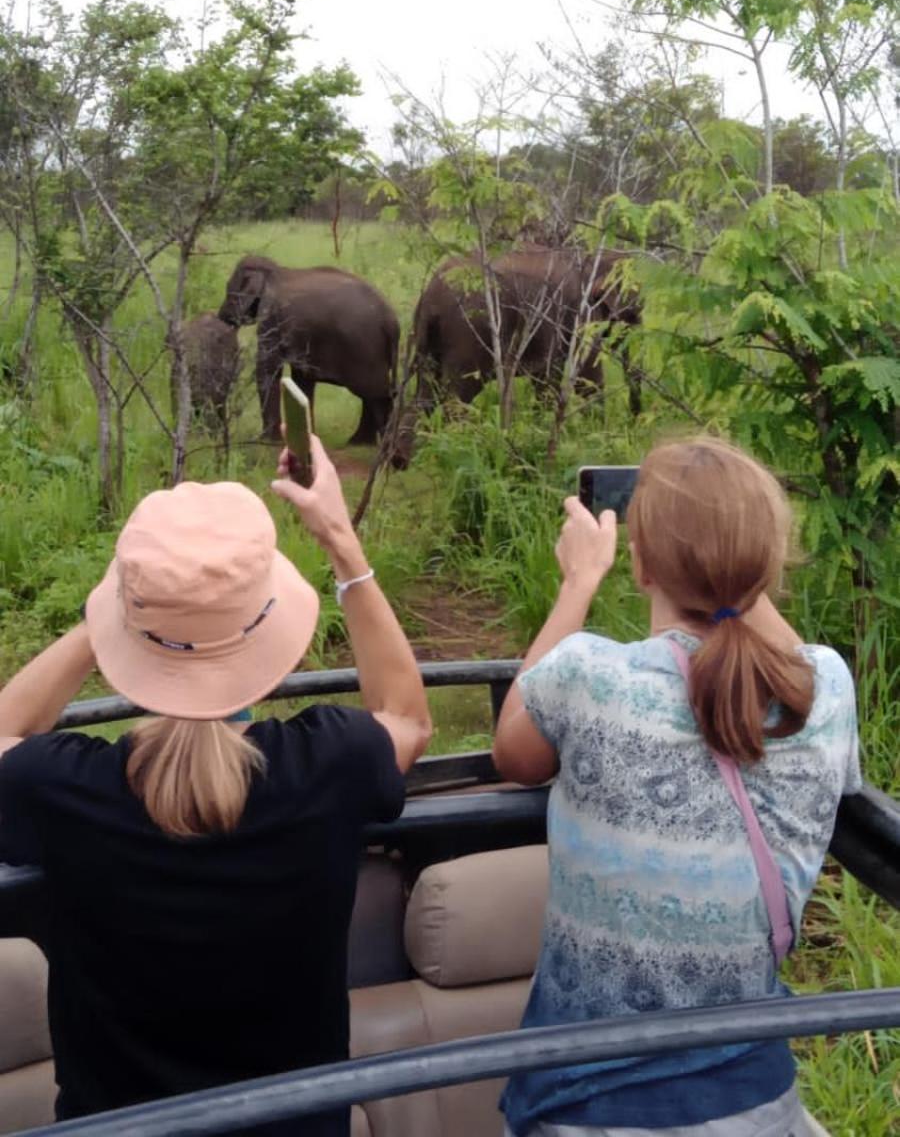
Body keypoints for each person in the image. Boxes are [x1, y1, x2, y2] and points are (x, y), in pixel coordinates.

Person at [0, 436, 431, 1136]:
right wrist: (343, 547)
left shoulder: (64, 788)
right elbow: (408, 716)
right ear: (268, 624)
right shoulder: (328, 763)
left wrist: (120, 614)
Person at [493, 437, 860, 1137]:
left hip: (587, 1108)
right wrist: (734, 568)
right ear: (769, 563)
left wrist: (579, 581)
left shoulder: (588, 677)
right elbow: (770, 651)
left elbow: (513, 748)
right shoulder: (828, 688)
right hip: (759, 1107)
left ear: (640, 564)